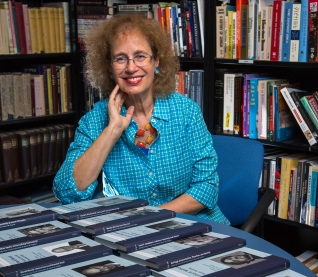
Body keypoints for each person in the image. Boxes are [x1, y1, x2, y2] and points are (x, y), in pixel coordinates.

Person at [52, 14, 229, 225]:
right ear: (109, 67)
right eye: (120, 58)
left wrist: (148, 219)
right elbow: (68, 192)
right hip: (129, 234)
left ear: (156, 61)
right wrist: (112, 130)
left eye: (140, 56)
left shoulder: (186, 111)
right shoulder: (94, 121)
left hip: (192, 224)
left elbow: (206, 186)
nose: (131, 67)